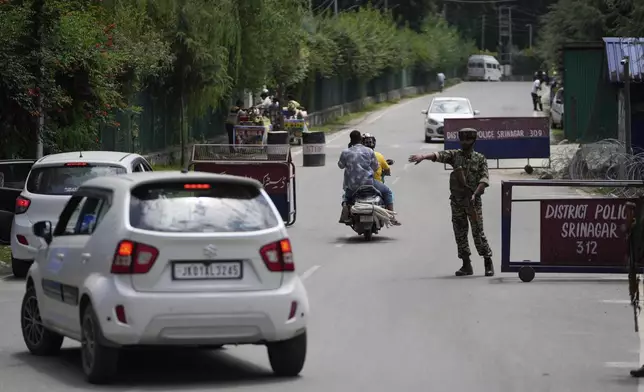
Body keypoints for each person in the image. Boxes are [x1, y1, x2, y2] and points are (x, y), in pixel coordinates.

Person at [407, 128, 494, 277]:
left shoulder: (480, 158)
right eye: (463, 139)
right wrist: (423, 156)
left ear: (473, 141)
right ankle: (466, 264)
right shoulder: (455, 155)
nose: (465, 142)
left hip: (473, 201)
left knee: (478, 232)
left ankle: (487, 261)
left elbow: (484, 179)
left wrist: (475, 193)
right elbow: (438, 155)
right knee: (460, 233)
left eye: (468, 139)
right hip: (457, 201)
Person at [338, 130, 400, 225]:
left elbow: (341, 165)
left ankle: (346, 216)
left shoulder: (346, 152)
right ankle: (392, 217)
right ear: (360, 140)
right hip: (369, 183)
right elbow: (375, 167)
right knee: (387, 192)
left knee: (346, 199)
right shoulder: (369, 151)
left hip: (352, 185)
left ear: (350, 140)